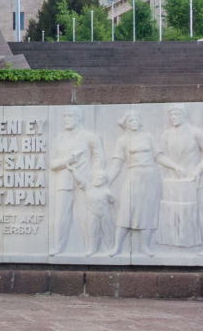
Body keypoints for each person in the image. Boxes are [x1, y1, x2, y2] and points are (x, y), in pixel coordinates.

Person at [156, 106, 203, 251]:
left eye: (176, 114)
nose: (173, 117)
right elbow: (161, 156)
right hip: (175, 180)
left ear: (184, 115)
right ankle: (177, 247)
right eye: (171, 114)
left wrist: (199, 170)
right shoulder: (166, 134)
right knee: (175, 214)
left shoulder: (196, 132)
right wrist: (172, 168)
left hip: (196, 179)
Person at [48, 107, 103, 256]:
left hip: (84, 181)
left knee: (87, 215)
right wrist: (67, 160)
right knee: (60, 217)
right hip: (64, 181)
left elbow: (99, 159)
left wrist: (95, 179)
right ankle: (59, 247)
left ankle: (91, 247)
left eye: (70, 116)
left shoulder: (91, 137)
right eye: (65, 116)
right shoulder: (58, 140)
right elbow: (52, 164)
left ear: (79, 117)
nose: (66, 119)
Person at [107, 110, 161, 257]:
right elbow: (117, 165)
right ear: (125, 124)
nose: (134, 122)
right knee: (125, 211)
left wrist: (175, 167)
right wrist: (106, 182)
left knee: (147, 213)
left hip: (150, 176)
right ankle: (117, 246)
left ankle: (145, 247)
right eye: (130, 120)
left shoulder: (148, 137)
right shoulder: (123, 140)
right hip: (133, 176)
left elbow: (159, 157)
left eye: (136, 119)